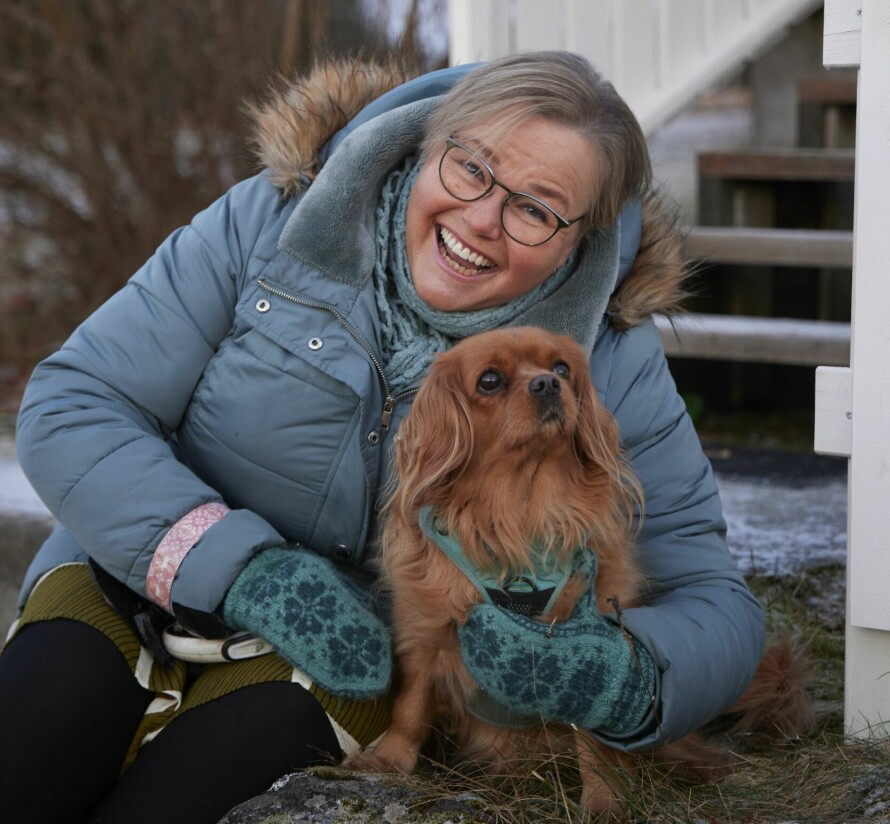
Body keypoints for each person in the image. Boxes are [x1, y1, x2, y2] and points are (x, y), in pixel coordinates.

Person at [1, 51, 764, 824]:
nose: (480, 221)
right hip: (137, 576)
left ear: (580, 240)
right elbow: (76, 400)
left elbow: (717, 603)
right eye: (470, 167)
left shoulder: (605, 360)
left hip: (345, 661)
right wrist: (240, 571)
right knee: (31, 745)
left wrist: (629, 678)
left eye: (535, 210)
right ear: (427, 142)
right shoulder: (270, 223)